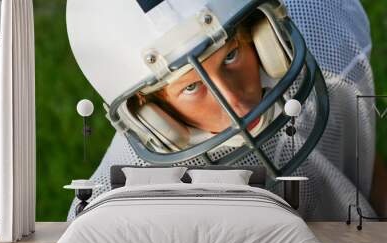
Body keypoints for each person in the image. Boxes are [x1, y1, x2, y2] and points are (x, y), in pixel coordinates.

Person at [66, 0, 376, 221]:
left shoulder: (319, 32)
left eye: (231, 56)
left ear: (261, 34)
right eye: (191, 87)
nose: (236, 104)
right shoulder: (121, 203)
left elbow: (358, 155)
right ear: (151, 115)